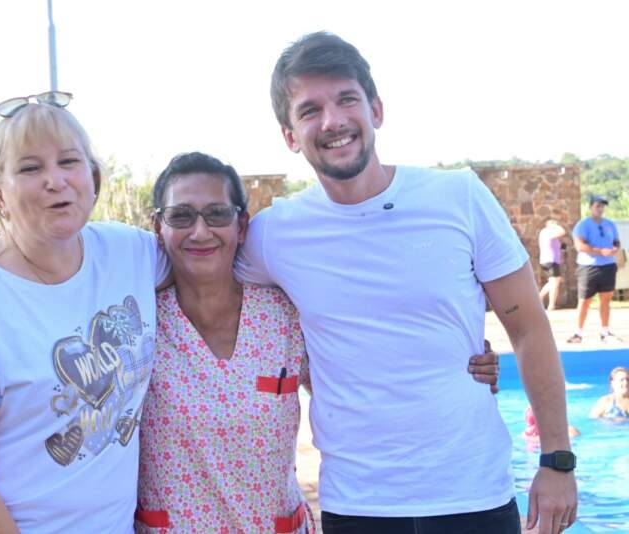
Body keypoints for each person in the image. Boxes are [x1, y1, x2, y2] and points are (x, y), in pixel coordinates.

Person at [236, 32, 577, 534]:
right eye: (310, 110)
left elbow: (529, 328)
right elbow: (202, 287)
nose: (332, 121)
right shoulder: (275, 234)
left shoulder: (458, 197)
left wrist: (556, 459)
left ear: (375, 109)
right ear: (289, 135)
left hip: (473, 492)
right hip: (359, 503)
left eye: (346, 99)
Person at [136, 152, 501, 533]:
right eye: (181, 216)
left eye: (217, 214)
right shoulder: (138, 324)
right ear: (158, 226)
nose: (200, 231)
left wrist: (455, 359)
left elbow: (365, 372)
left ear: (242, 225)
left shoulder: (283, 317)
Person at [0, 94, 168, 533]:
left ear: (92, 177)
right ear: (0, 194)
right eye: (31, 168)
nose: (56, 180)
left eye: (68, 161)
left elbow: (216, 262)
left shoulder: (131, 253)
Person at [567, 195, 622, 343]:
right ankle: (578, 333)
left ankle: (605, 332)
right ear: (591, 207)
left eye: (602, 206)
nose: (600, 208)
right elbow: (580, 246)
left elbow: (616, 242)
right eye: (597, 205)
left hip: (608, 266)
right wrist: (601, 251)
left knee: (606, 300)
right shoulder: (583, 225)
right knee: (584, 301)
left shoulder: (610, 224)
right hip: (588, 267)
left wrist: (614, 249)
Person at [538, 219, 567, 310]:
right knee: (555, 282)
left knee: (554, 281)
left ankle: (540, 297)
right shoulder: (547, 232)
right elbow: (563, 232)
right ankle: (551, 304)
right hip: (550, 260)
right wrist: (555, 226)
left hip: (550, 260)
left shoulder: (546, 233)